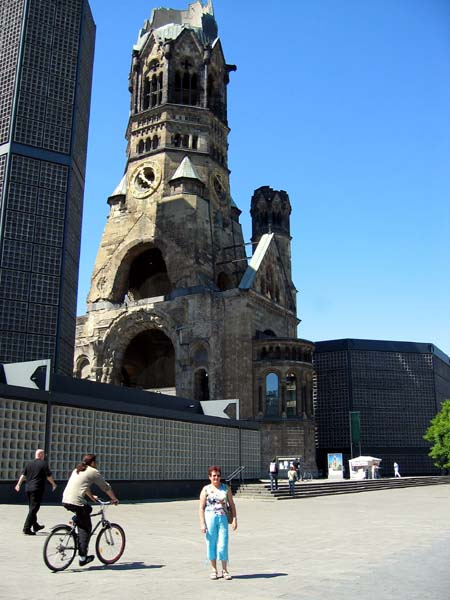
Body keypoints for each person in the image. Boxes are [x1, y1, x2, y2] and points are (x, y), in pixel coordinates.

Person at [62, 454, 119, 566]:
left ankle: (76, 519)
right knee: (86, 528)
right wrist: (114, 498)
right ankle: (83, 558)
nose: (96, 464)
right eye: (96, 462)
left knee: (88, 509)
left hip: (66, 499)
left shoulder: (78, 469)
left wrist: (92, 497)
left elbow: (85, 486)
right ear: (92, 462)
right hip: (76, 501)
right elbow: (105, 487)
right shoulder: (93, 471)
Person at [199, 465, 237, 580]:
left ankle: (225, 570)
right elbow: (201, 508)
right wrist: (202, 523)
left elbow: (232, 504)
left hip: (223, 518)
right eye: (214, 476)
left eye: (218, 475)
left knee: (223, 544)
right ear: (210, 477)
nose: (216, 478)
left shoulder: (226, 488)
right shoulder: (206, 489)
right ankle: (214, 569)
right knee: (211, 543)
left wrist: (235, 519)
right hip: (209, 517)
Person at [15, 448, 57, 535]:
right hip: (37, 488)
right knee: (34, 508)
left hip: (28, 488)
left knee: (32, 508)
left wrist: (18, 484)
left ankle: (35, 525)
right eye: (44, 454)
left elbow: (23, 475)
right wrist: (53, 484)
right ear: (41, 455)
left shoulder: (29, 464)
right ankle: (26, 528)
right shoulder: (44, 464)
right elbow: (48, 476)